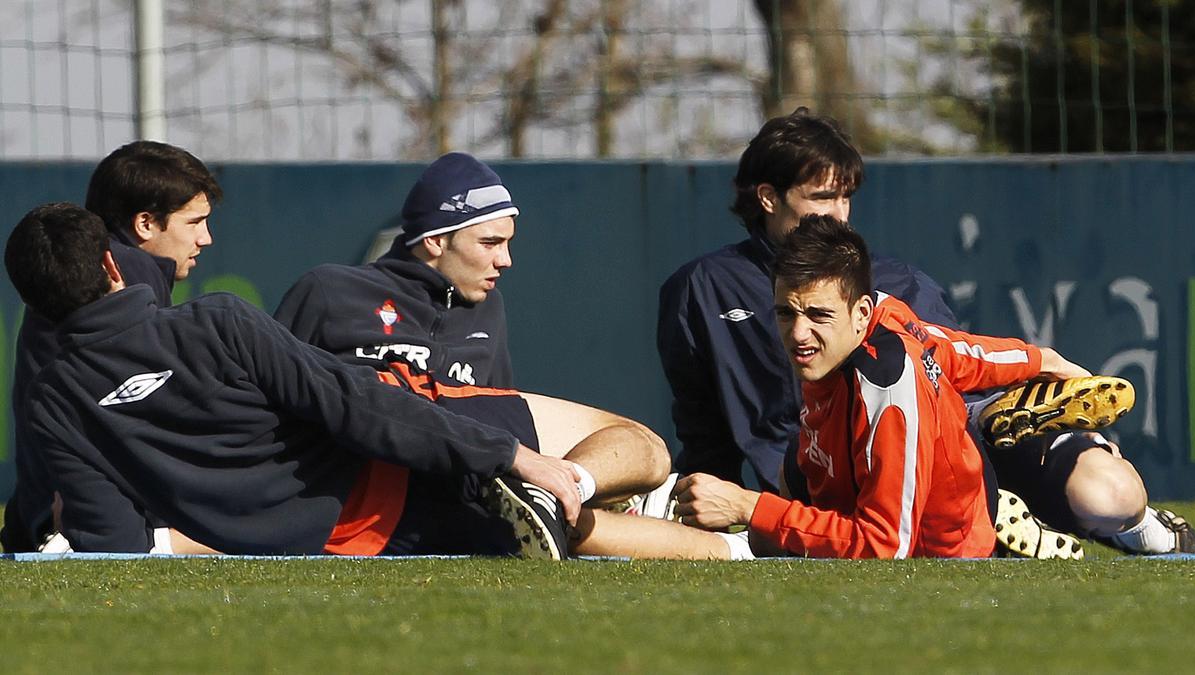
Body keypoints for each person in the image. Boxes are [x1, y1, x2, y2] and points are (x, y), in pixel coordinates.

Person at [9, 203, 749, 562]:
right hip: (397, 459)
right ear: (114, 266)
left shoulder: (50, 404)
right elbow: (355, 400)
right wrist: (509, 457)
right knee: (645, 445)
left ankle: (713, 546)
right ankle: (579, 490)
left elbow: (115, 540)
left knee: (584, 530)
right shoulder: (213, 323)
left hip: (354, 542)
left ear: (35, 303)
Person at [656, 107, 1195, 555]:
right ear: (769, 199)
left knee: (1110, 494)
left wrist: (1042, 365)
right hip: (828, 485)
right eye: (821, 198)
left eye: (846, 197)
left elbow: (949, 362)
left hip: (948, 447)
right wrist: (714, 502)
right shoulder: (703, 289)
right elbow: (703, 426)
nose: (839, 214)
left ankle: (1138, 529)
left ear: (864, 309)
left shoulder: (893, 284)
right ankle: (991, 520)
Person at [672, 217, 1121, 558]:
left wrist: (750, 507)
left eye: (818, 316)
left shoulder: (887, 387)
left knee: (764, 535)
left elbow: (886, 545)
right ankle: (984, 474)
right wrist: (1040, 359)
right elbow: (952, 350)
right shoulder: (883, 313)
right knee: (793, 466)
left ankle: (992, 520)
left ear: (861, 314)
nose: (798, 334)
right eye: (786, 313)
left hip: (939, 547)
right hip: (871, 474)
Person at [276, 152, 670, 506]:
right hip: (353, 496)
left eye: (508, 243)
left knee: (646, 451)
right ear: (434, 241)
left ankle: (587, 497)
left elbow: (498, 411)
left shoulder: (487, 308)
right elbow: (273, 398)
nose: (506, 260)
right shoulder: (330, 291)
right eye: (490, 242)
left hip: (459, 494)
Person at [2, 141, 221, 552]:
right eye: (195, 222)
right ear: (144, 223)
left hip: (45, 504)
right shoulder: (128, 271)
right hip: (74, 512)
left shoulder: (103, 267)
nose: (206, 238)